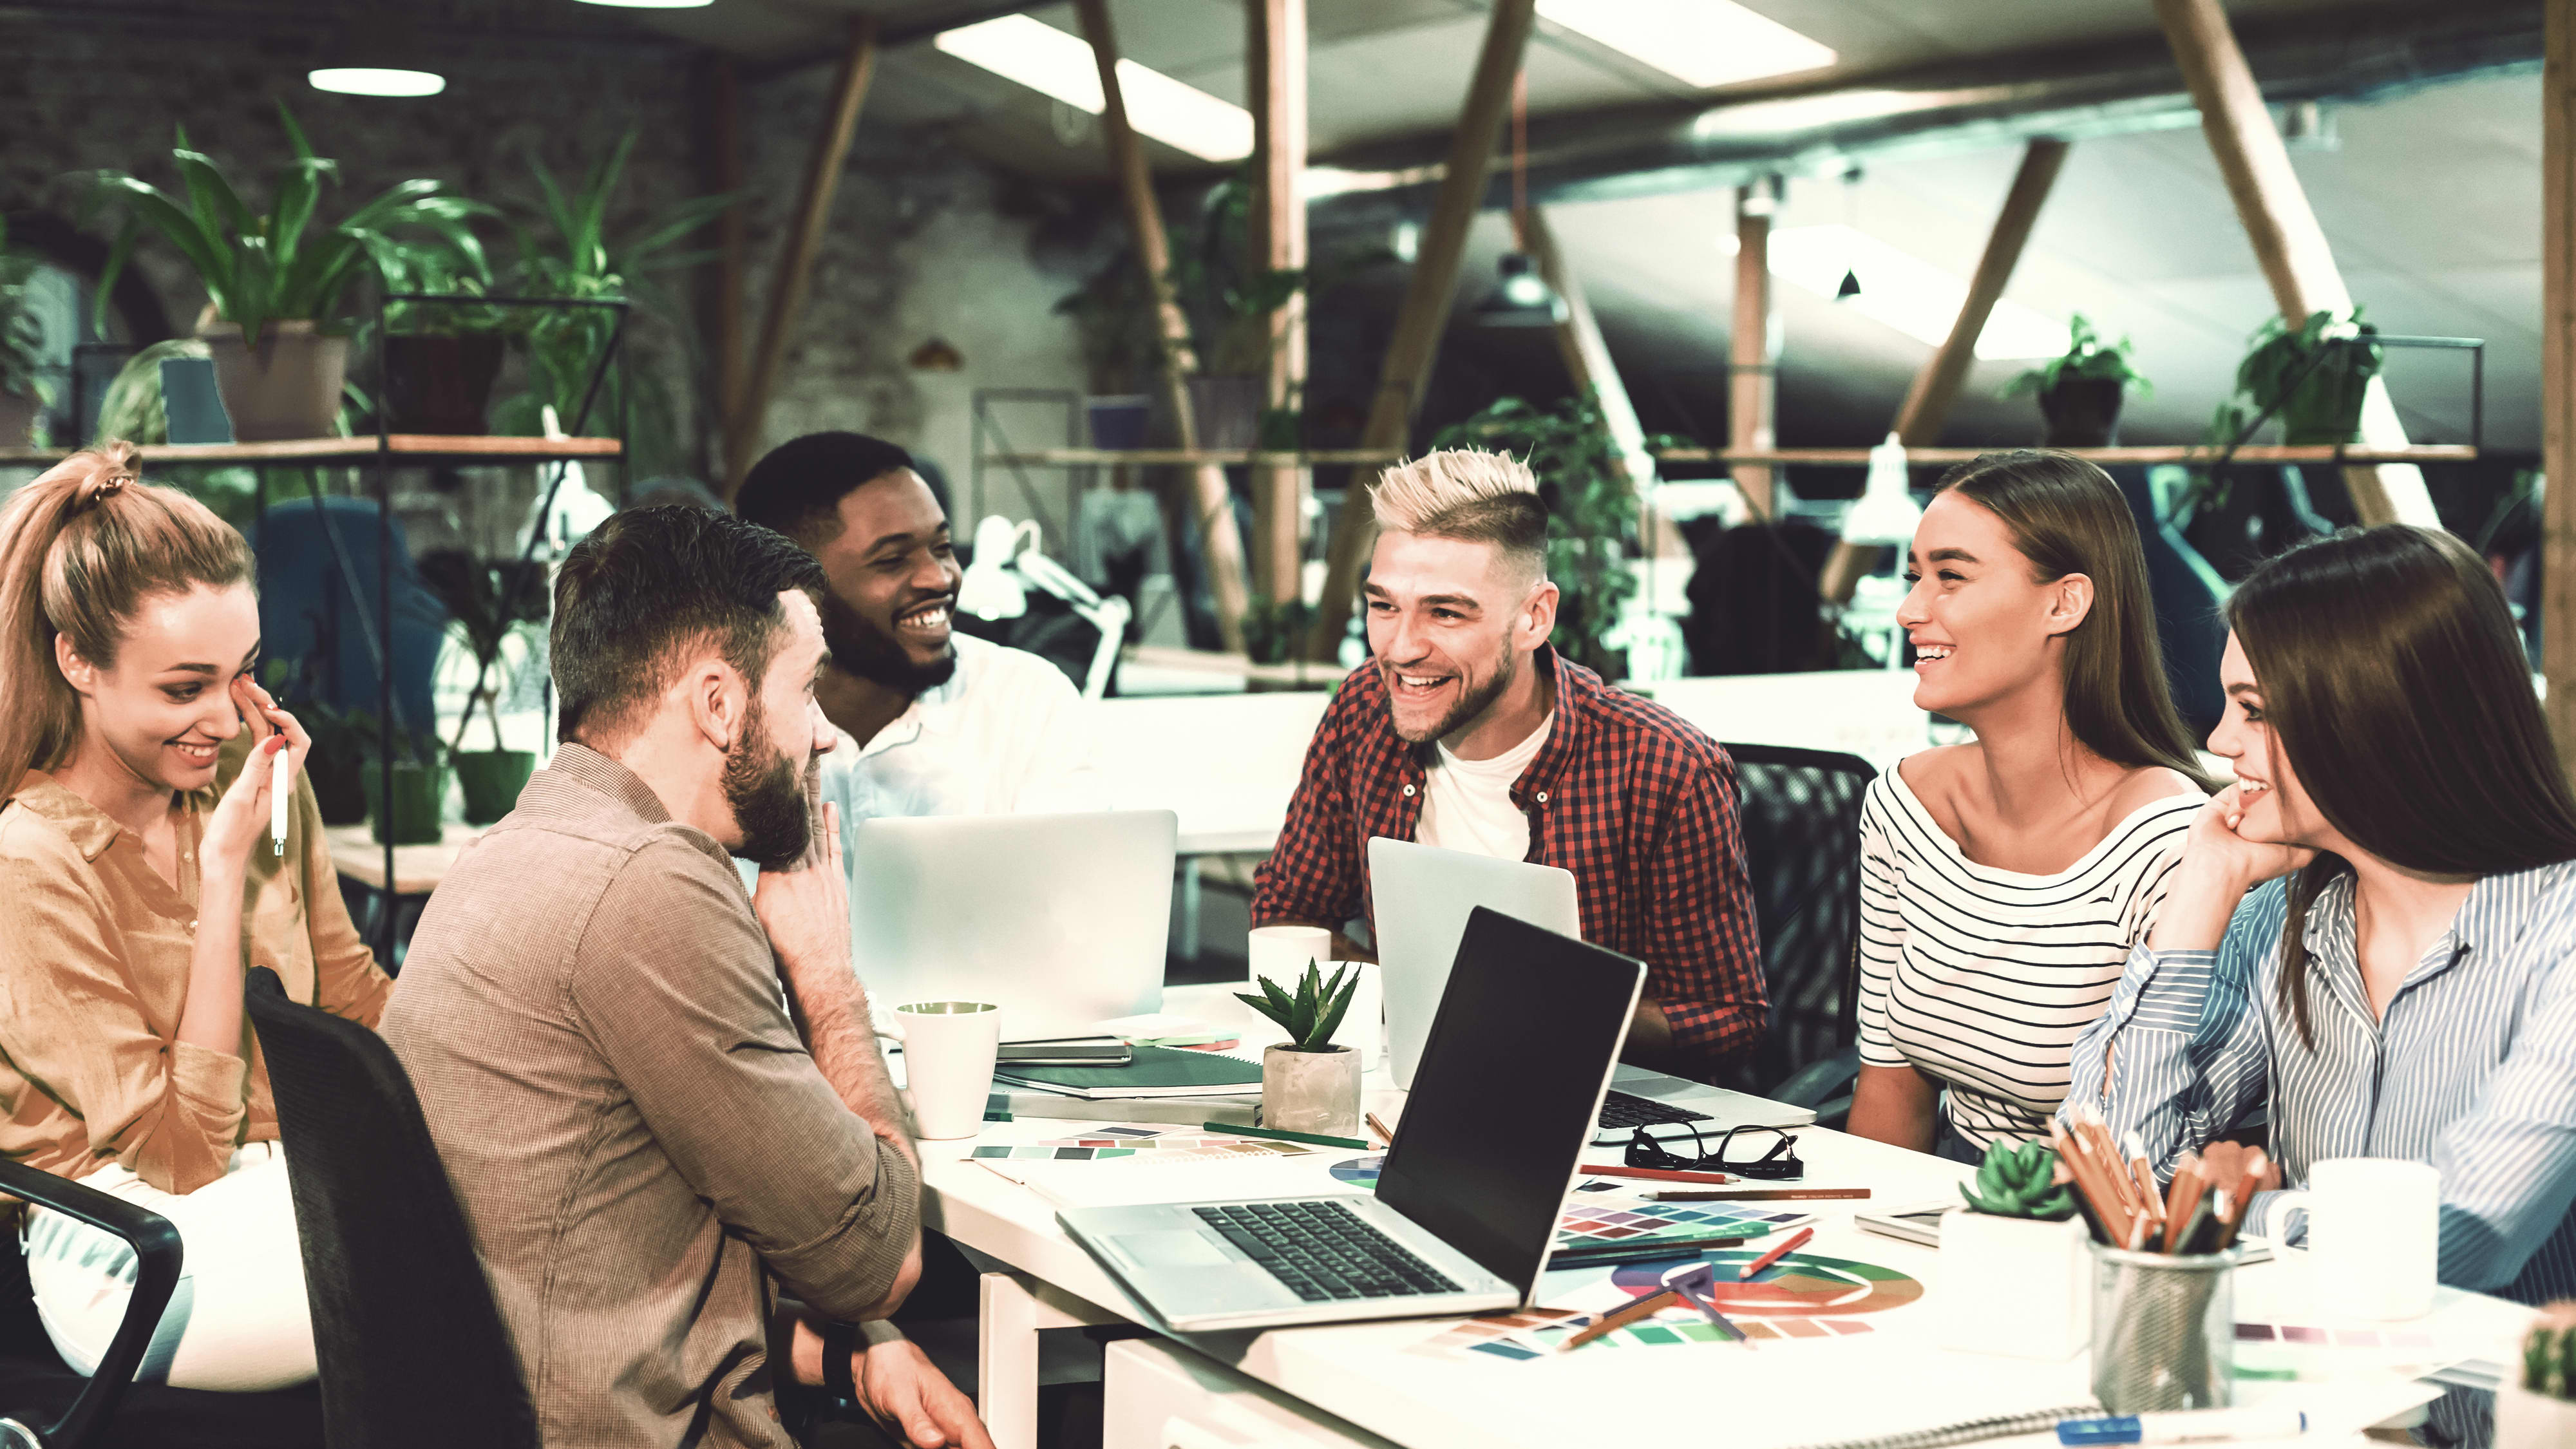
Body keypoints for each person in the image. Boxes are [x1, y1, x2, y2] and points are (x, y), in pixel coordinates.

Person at [384, 507, 990, 1448]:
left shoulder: (519, 849)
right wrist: (826, 977)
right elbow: (880, 1257)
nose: (824, 735)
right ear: (718, 701)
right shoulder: (648, 886)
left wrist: (852, 1351)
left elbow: (620, 1271)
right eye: (806, 688)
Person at [2068, 524, 2576, 1303]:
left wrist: (2227, 1210)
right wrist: (2201, 890)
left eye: (2255, 711)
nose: (2216, 740)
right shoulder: (2279, 919)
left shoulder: (2561, 936)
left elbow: (2457, 1243)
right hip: (2299, 1395)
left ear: (2374, 716)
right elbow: (2105, 1168)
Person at [0, 444, 391, 1391]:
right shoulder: (30, 862)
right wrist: (224, 884)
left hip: (289, 1180)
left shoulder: (259, 788)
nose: (224, 718)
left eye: (242, 674)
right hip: (124, 1243)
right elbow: (178, 1156)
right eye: (184, 687)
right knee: (468, 1270)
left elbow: (356, 1000)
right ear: (79, 662)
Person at [1250, 448, 1765, 1077]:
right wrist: (1420, 996)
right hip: (1413, 1082)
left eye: (1444, 612)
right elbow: (1287, 911)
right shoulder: (1363, 709)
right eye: (1383, 606)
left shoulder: (1664, 766)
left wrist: (1550, 1007)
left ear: (1533, 617)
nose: (1400, 648)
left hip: (1598, 1119)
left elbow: (1729, 1019)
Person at [1846, 451, 2211, 1162]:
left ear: (2064, 603)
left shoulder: (2163, 839)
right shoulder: (1901, 803)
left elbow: (2148, 1147)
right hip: (1940, 1194)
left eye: (1950, 577)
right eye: (1914, 577)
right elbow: (1890, 1091)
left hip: (2089, 1215)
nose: (1909, 610)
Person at [733, 431, 1106, 823]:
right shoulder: (729, 725)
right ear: (791, 588)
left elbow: (1073, 881)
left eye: (942, 548)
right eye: (893, 560)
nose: (940, 578)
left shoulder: (1028, 702)